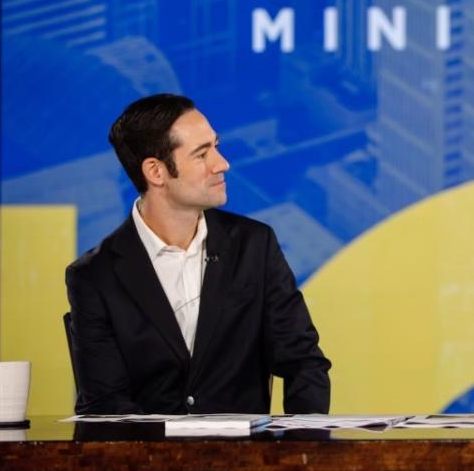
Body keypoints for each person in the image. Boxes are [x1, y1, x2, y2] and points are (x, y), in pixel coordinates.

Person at [66, 94, 331, 415]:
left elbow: (303, 362)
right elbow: (106, 404)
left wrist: (299, 456)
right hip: (149, 461)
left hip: (245, 460)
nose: (222, 164)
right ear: (156, 171)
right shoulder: (95, 276)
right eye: (202, 154)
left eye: (216, 147)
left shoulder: (254, 245)